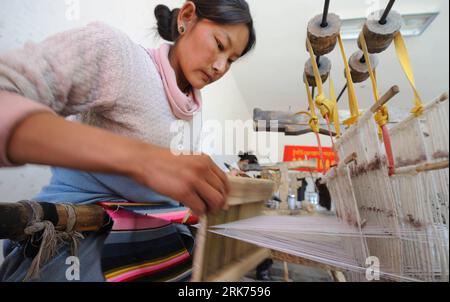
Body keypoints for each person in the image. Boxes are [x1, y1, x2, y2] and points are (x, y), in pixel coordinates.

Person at [0, 0, 256, 281]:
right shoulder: (119, 56)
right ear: (187, 16)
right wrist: (143, 160)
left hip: (152, 238)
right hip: (75, 238)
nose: (220, 66)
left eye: (231, 60)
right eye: (220, 44)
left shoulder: (193, 111)